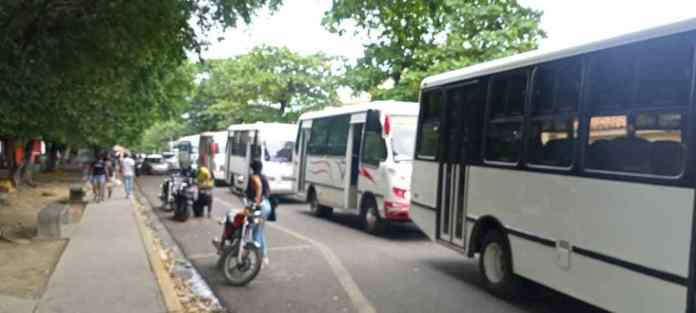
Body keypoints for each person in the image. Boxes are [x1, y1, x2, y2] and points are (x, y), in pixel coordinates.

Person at [245, 160, 271, 266]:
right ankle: (264, 256)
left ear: (252, 168)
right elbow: (269, 191)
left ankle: (260, 258)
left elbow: (250, 194)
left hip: (259, 206)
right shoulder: (264, 177)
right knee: (259, 231)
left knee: (255, 232)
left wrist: (256, 201)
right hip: (266, 206)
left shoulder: (253, 178)